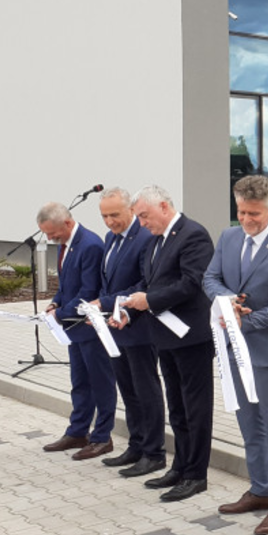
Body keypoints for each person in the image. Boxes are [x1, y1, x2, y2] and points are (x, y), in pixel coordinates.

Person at [204, 175, 268, 535]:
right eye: (242, 212)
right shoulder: (228, 237)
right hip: (232, 349)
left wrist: (245, 322)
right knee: (248, 423)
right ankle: (261, 490)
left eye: (254, 214)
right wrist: (227, 301)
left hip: (267, 353)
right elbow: (210, 278)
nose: (246, 219)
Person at [115, 185, 214, 503]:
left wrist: (150, 301)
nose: (142, 223)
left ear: (163, 206)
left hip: (192, 338)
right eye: (139, 218)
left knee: (196, 408)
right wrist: (129, 311)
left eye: (145, 216)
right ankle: (180, 466)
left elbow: (191, 283)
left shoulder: (193, 235)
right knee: (177, 407)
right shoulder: (155, 240)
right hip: (165, 336)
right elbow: (148, 283)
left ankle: (196, 474)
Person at [94, 188, 166, 478]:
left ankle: (154, 452)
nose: (109, 221)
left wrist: (107, 303)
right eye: (104, 216)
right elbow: (107, 281)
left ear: (131, 210)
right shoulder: (111, 238)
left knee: (145, 391)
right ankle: (136, 445)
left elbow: (144, 283)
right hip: (116, 327)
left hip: (140, 327)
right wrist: (99, 309)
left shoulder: (145, 237)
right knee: (127, 389)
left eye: (115, 215)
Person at [38, 202, 113, 460]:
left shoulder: (90, 245)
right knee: (79, 383)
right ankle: (78, 431)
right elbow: (66, 284)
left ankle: (102, 437)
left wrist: (59, 314)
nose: (50, 238)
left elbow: (88, 291)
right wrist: (55, 303)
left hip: (91, 328)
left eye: (52, 233)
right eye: (46, 233)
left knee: (100, 383)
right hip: (74, 328)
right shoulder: (66, 244)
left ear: (68, 223)